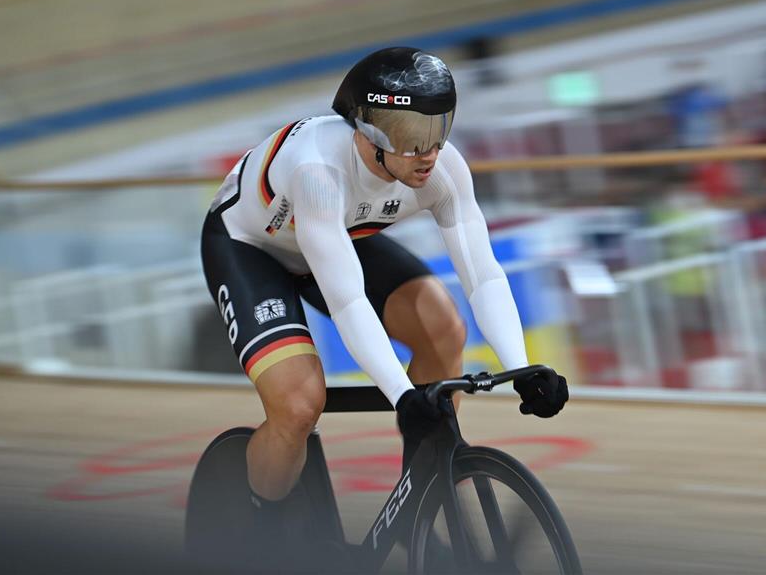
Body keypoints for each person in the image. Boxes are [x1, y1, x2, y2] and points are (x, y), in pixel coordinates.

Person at [200, 47, 569, 550]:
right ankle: (260, 528)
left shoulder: (442, 169)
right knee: (299, 404)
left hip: (338, 237)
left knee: (445, 327)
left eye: (439, 130)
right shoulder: (318, 172)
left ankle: (426, 491)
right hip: (251, 250)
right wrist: (403, 397)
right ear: (367, 135)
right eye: (412, 138)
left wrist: (522, 368)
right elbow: (349, 302)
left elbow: (483, 273)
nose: (430, 152)